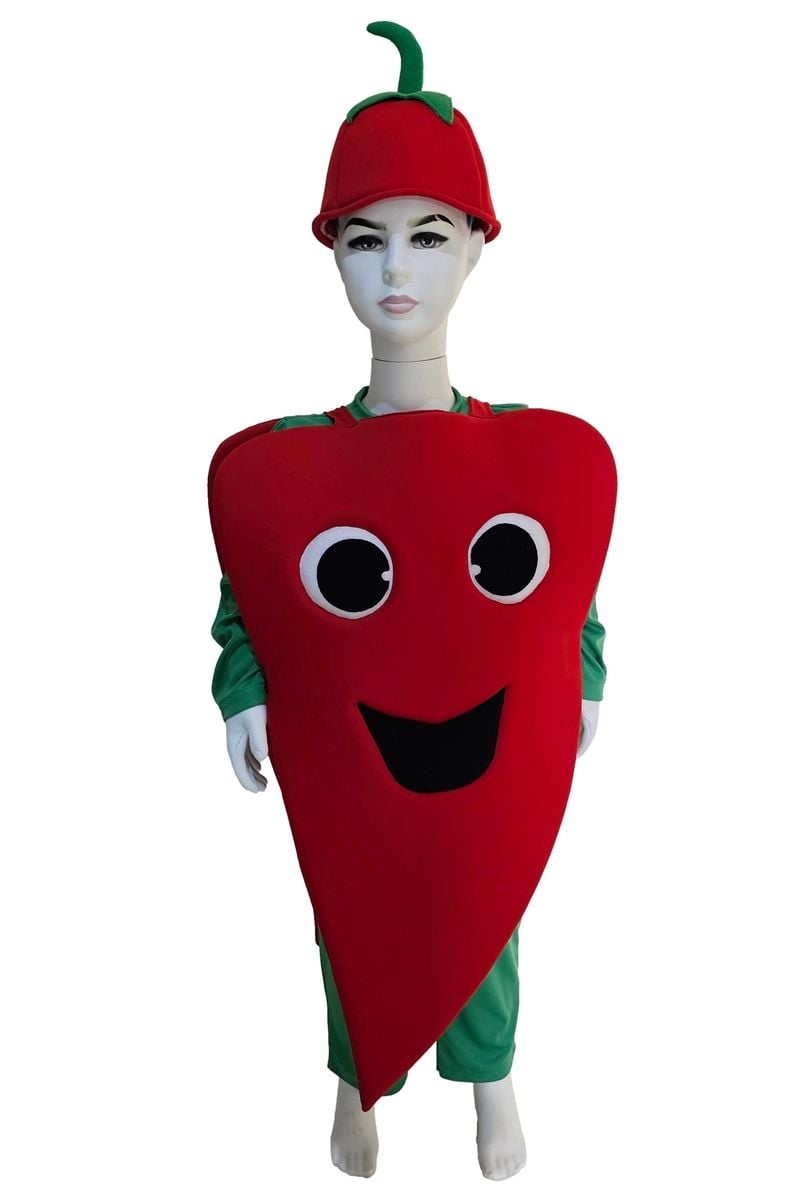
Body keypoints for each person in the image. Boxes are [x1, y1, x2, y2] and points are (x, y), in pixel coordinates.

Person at [210, 188, 608, 1180]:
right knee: (349, 906)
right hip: (343, 737)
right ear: (332, 254)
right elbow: (250, 595)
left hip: (489, 735)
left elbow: (566, 590)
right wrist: (242, 688)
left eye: (427, 237)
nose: (395, 270)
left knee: (487, 898)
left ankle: (491, 1079)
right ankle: (358, 1080)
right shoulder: (289, 461)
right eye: (365, 240)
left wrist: (583, 674)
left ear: (475, 248)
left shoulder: (529, 451)